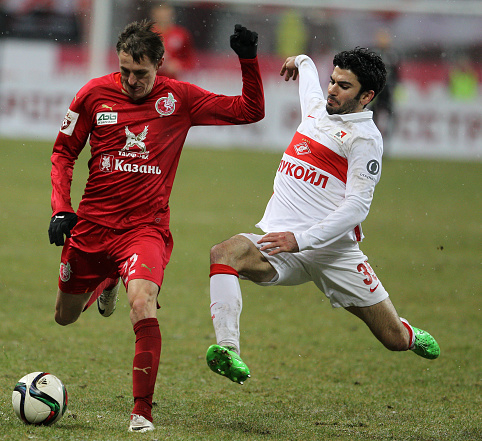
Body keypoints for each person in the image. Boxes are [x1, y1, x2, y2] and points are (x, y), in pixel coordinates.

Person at [48, 20, 264, 432]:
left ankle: (141, 412)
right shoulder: (93, 94)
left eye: (141, 73)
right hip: (92, 227)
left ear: (160, 65)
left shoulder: (179, 98)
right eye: (125, 71)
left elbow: (249, 110)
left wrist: (248, 61)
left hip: (144, 230)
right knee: (64, 316)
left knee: (142, 301)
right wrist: (62, 208)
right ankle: (108, 279)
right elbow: (63, 153)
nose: (131, 81)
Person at [205, 48, 440, 385]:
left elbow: (357, 207)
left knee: (393, 339)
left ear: (366, 96)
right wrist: (301, 61)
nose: (332, 89)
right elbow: (309, 84)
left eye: (344, 86)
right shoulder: (318, 110)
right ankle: (229, 350)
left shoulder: (364, 139)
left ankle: (409, 334)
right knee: (224, 253)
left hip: (332, 253)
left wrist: (301, 239)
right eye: (332, 81)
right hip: (283, 246)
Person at [150, 3, 195, 79]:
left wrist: (179, 65)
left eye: (166, 14)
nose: (163, 17)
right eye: (160, 14)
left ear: (172, 15)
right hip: (151, 80)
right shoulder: (146, 34)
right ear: (154, 15)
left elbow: (189, 60)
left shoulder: (181, 34)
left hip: (171, 80)